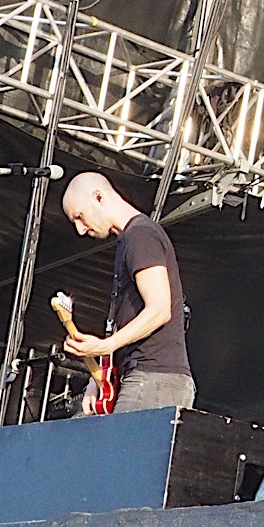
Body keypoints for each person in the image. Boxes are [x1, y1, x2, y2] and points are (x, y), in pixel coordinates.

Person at [60, 171, 194, 413]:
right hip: (140, 376)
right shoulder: (130, 239)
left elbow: (160, 309)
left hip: (153, 377)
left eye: (79, 216)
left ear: (98, 197)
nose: (80, 229)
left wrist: (106, 345)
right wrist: (98, 378)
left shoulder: (141, 236)